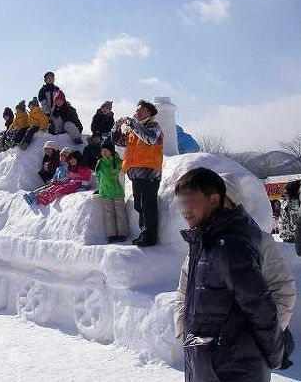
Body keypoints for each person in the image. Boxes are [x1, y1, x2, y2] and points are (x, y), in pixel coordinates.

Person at [174, 167, 284, 382]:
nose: (184, 210)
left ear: (215, 200)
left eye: (191, 201)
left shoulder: (228, 244)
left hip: (233, 367)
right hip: (209, 363)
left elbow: (260, 306)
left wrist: (273, 354)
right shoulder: (204, 241)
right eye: (181, 203)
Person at [114, 100, 163, 247]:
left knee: (148, 206)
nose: (136, 113)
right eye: (136, 110)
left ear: (149, 112)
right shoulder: (133, 130)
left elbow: (149, 139)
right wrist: (116, 127)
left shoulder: (154, 126)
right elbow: (118, 141)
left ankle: (149, 237)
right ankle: (144, 234)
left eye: (139, 110)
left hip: (150, 173)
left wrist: (132, 123)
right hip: (135, 173)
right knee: (139, 206)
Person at [95, 138, 128, 243]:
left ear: (111, 151)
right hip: (105, 192)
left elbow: (124, 172)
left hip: (117, 192)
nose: (103, 152)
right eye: (102, 150)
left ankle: (122, 234)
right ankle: (111, 235)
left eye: (106, 150)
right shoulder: (99, 162)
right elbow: (98, 176)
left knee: (120, 213)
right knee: (108, 214)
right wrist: (99, 188)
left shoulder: (118, 162)